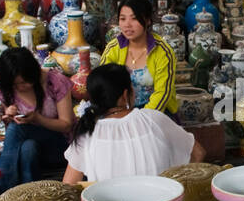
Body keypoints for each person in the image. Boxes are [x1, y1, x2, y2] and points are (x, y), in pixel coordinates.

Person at [62, 64, 201, 184]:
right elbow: (198, 153)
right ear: (125, 94)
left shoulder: (87, 134)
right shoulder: (153, 119)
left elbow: (68, 186)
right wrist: (180, 188)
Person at [0, 46, 74, 194]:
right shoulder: (8, 90)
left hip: (61, 146)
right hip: (35, 150)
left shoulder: (54, 82)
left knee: (17, 130)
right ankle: (30, 196)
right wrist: (9, 115)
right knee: (28, 148)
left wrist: (38, 119)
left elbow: (67, 125)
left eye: (24, 82)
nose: (20, 87)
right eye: (15, 84)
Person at [100, 0, 178, 115]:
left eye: (134, 19)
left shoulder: (163, 51)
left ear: (148, 20)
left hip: (156, 113)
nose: (127, 25)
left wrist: (140, 119)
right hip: (122, 112)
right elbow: (103, 83)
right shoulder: (113, 48)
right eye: (122, 19)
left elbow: (162, 93)